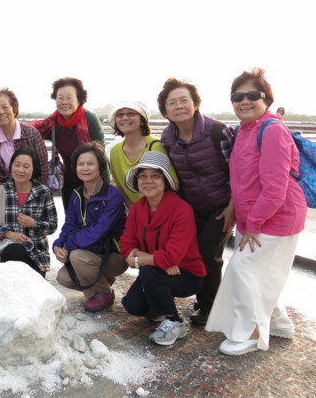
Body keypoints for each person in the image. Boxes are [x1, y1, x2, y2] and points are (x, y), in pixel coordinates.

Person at [206, 68, 307, 356]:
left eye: (252, 95)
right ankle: (279, 323)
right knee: (261, 273)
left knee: (244, 270)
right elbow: (242, 179)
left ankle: (250, 333)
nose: (244, 101)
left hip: (276, 217)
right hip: (252, 216)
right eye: (237, 97)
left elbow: (275, 188)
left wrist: (255, 224)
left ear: (267, 99)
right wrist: (234, 208)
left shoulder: (272, 131)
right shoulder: (243, 130)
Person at [157, 78, 235, 326]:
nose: (179, 106)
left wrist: (233, 205)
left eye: (184, 100)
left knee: (208, 253)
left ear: (195, 104)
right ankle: (206, 300)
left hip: (222, 205)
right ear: (165, 110)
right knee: (194, 253)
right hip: (191, 207)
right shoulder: (167, 138)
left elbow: (237, 171)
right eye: (172, 103)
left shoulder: (217, 131)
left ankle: (211, 309)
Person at [120, 151, 206, 346]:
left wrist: (138, 259)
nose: (148, 181)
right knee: (133, 306)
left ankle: (175, 321)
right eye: (143, 176)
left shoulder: (182, 210)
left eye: (155, 176)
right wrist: (158, 261)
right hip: (158, 271)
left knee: (149, 272)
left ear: (165, 181)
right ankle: (159, 303)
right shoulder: (137, 209)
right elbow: (125, 244)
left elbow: (172, 256)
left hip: (186, 274)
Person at [54, 142, 128, 312]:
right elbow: (69, 225)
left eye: (90, 164)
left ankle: (104, 293)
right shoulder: (77, 195)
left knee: (77, 256)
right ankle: (101, 281)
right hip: (92, 253)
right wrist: (58, 245)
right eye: (81, 164)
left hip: (115, 255)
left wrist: (69, 245)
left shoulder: (113, 196)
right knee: (63, 278)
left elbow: (100, 230)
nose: (85, 168)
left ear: (100, 166)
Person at [0, 147, 58, 276]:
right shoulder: (1, 192)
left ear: (34, 169)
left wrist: (34, 224)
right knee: (15, 250)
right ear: (11, 167)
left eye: (26, 166)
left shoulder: (43, 192)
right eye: (17, 165)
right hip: (4, 251)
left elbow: (52, 226)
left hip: (36, 255)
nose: (20, 170)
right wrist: (8, 233)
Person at [31, 77, 106, 210]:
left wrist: (105, 188)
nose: (64, 102)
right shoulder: (53, 123)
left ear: (79, 99)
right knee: (72, 218)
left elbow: (101, 156)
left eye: (69, 98)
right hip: (69, 181)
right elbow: (29, 132)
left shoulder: (90, 119)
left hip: (94, 180)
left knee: (96, 218)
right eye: (60, 98)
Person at [108, 101, 177, 209]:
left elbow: (174, 184)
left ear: (142, 120)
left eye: (131, 113)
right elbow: (120, 187)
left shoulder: (156, 146)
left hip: (164, 209)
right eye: (120, 115)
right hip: (137, 211)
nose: (124, 118)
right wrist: (136, 211)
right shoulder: (114, 151)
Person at [0, 88, 48, 195]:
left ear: (14, 109)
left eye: (5, 107)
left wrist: (33, 194)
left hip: (32, 193)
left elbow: (43, 169)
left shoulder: (32, 134)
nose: (1, 112)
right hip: (4, 195)